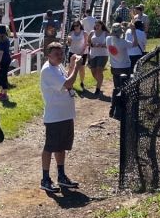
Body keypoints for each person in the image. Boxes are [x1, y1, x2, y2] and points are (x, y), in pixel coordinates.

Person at [38, 42, 80, 193]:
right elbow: (69, 83)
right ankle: (45, 179)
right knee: (50, 147)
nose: (60, 56)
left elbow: (66, 77)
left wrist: (71, 64)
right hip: (55, 116)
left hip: (65, 114)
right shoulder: (48, 70)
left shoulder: (58, 66)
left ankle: (61, 176)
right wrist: (77, 67)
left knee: (61, 146)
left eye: (61, 53)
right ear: (48, 55)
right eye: (56, 54)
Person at [107, 23, 132, 93]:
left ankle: (117, 99)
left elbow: (116, 40)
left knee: (117, 86)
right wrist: (133, 32)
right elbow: (134, 43)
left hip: (114, 67)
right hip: (125, 67)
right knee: (126, 85)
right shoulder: (123, 42)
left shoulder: (108, 40)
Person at [0, 16, 13, 101]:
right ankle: (2, 92)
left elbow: (1, 53)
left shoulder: (1, 41)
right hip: (7, 59)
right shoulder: (6, 38)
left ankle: (5, 93)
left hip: (3, 60)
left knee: (2, 76)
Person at [88, 20, 109, 98]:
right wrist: (93, 44)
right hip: (93, 54)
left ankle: (98, 89)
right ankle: (99, 82)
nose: (97, 26)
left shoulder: (105, 33)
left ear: (101, 25)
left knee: (99, 70)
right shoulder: (92, 33)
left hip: (103, 54)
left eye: (98, 25)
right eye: (96, 25)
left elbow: (109, 44)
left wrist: (102, 46)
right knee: (93, 71)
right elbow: (88, 42)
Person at [67, 21, 88, 92]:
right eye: (74, 26)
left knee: (81, 68)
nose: (76, 27)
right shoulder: (71, 33)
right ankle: (70, 83)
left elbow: (87, 43)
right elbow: (68, 44)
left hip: (82, 53)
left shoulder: (84, 33)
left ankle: (82, 82)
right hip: (72, 52)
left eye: (77, 25)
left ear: (80, 25)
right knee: (71, 68)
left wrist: (83, 50)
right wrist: (68, 42)